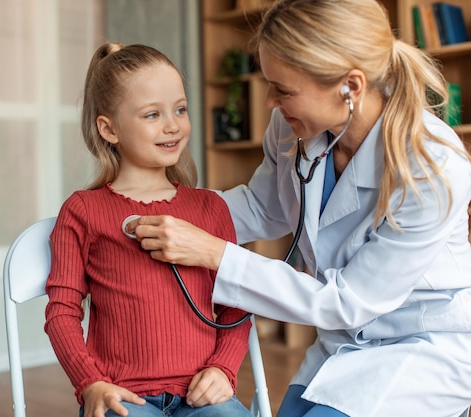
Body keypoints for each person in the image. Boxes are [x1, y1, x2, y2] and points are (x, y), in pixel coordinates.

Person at [125, 1, 471, 416]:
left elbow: (349, 300)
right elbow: (262, 206)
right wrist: (157, 210)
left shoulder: (433, 166)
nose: (270, 101)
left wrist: (214, 254)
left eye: (284, 89)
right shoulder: (294, 129)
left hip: (423, 345)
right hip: (341, 340)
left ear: (351, 86)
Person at [44, 43, 252, 417]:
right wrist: (90, 382)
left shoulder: (210, 208)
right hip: (122, 397)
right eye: (152, 114)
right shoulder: (83, 211)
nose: (172, 125)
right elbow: (62, 312)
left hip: (201, 396)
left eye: (180, 109)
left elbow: (235, 305)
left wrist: (224, 368)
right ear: (109, 129)